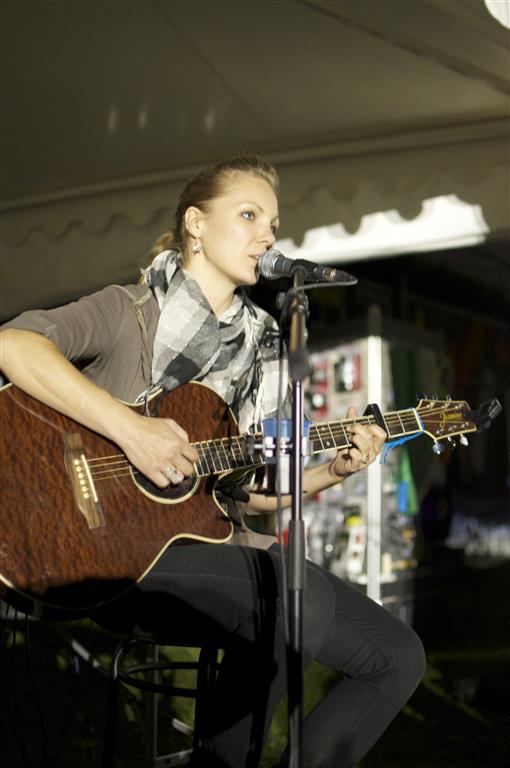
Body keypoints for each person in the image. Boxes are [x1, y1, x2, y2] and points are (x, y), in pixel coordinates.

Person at [0, 155, 426, 768]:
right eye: (249, 215)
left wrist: (333, 470)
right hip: (100, 548)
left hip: (202, 539)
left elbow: (252, 490)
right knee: (294, 600)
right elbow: (15, 344)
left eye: (274, 224)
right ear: (195, 225)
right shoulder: (131, 311)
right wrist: (131, 429)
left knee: (397, 657)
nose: (268, 236)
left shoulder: (265, 343)